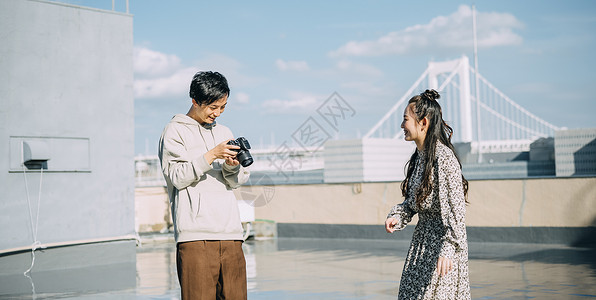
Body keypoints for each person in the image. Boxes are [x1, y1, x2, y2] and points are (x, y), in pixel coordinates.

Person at [158, 71, 250, 300]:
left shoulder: (224, 132)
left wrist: (231, 166)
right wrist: (211, 155)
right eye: (212, 107)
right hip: (195, 237)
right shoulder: (174, 131)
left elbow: (236, 182)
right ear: (195, 101)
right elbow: (176, 177)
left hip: (231, 234)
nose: (217, 113)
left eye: (223, 107)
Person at [385, 89, 470, 299]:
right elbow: (412, 204)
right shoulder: (419, 158)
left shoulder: (445, 159)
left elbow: (457, 212)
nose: (401, 125)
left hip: (444, 252)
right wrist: (398, 216)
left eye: (405, 119)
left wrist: (448, 250)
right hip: (421, 247)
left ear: (423, 123)